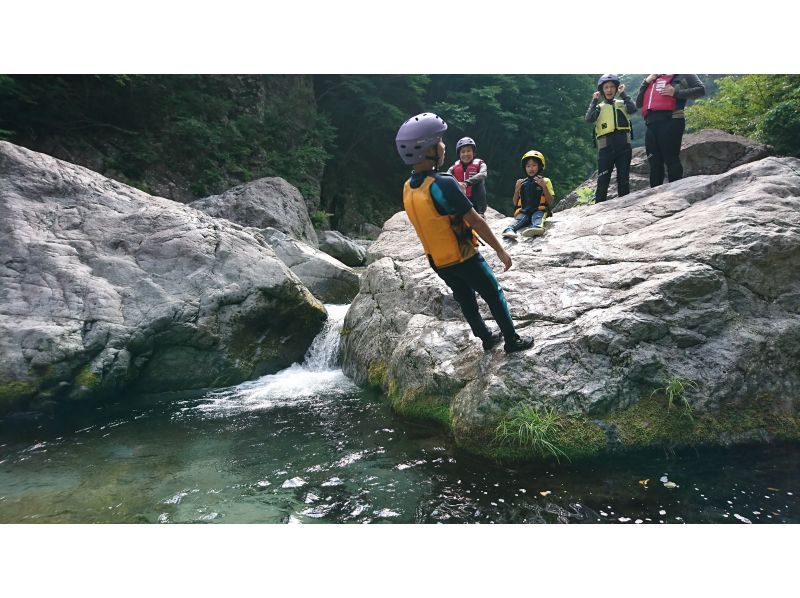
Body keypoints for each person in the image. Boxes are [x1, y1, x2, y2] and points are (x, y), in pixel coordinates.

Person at [395, 112, 534, 354]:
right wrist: (500, 250)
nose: (443, 145)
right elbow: (476, 221)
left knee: (466, 299)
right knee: (493, 293)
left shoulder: (408, 187)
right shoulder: (443, 184)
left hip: (438, 261)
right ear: (427, 150)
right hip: (464, 256)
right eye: (439, 141)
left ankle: (487, 338)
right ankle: (512, 340)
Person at [635, 74, 706, 187]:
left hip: (672, 120)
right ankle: (655, 197)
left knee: (671, 159)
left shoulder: (684, 74)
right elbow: (639, 103)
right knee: (654, 162)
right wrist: (646, 82)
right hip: (651, 124)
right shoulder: (654, 77)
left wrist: (676, 93)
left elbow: (701, 90)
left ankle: (676, 194)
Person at [585, 74, 637, 203]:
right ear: (602, 90)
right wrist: (594, 101)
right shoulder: (598, 107)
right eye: (606, 87)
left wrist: (624, 94)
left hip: (624, 147)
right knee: (603, 180)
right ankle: (598, 208)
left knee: (623, 179)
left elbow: (633, 109)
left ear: (616, 88)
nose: (609, 90)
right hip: (606, 149)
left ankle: (624, 206)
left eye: (612, 87)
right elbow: (589, 119)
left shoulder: (622, 103)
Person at [502, 150, 554, 239]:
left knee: (537, 216)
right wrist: (517, 190)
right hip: (524, 211)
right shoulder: (522, 182)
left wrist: (544, 187)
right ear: (524, 168)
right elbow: (515, 203)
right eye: (528, 166)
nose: (531, 168)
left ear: (540, 166)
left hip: (539, 210)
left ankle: (537, 227)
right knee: (519, 219)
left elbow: (550, 201)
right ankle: (509, 230)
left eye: (534, 165)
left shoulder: (545, 181)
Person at [447, 137, 488, 215]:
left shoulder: (480, 164)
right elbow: (447, 176)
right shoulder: (453, 167)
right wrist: (457, 183)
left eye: (469, 151)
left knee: (479, 181)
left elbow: (483, 174)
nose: (466, 154)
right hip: (461, 200)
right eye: (463, 152)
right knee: (449, 183)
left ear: (473, 152)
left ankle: (481, 213)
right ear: (459, 154)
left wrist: (466, 183)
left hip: (476, 202)